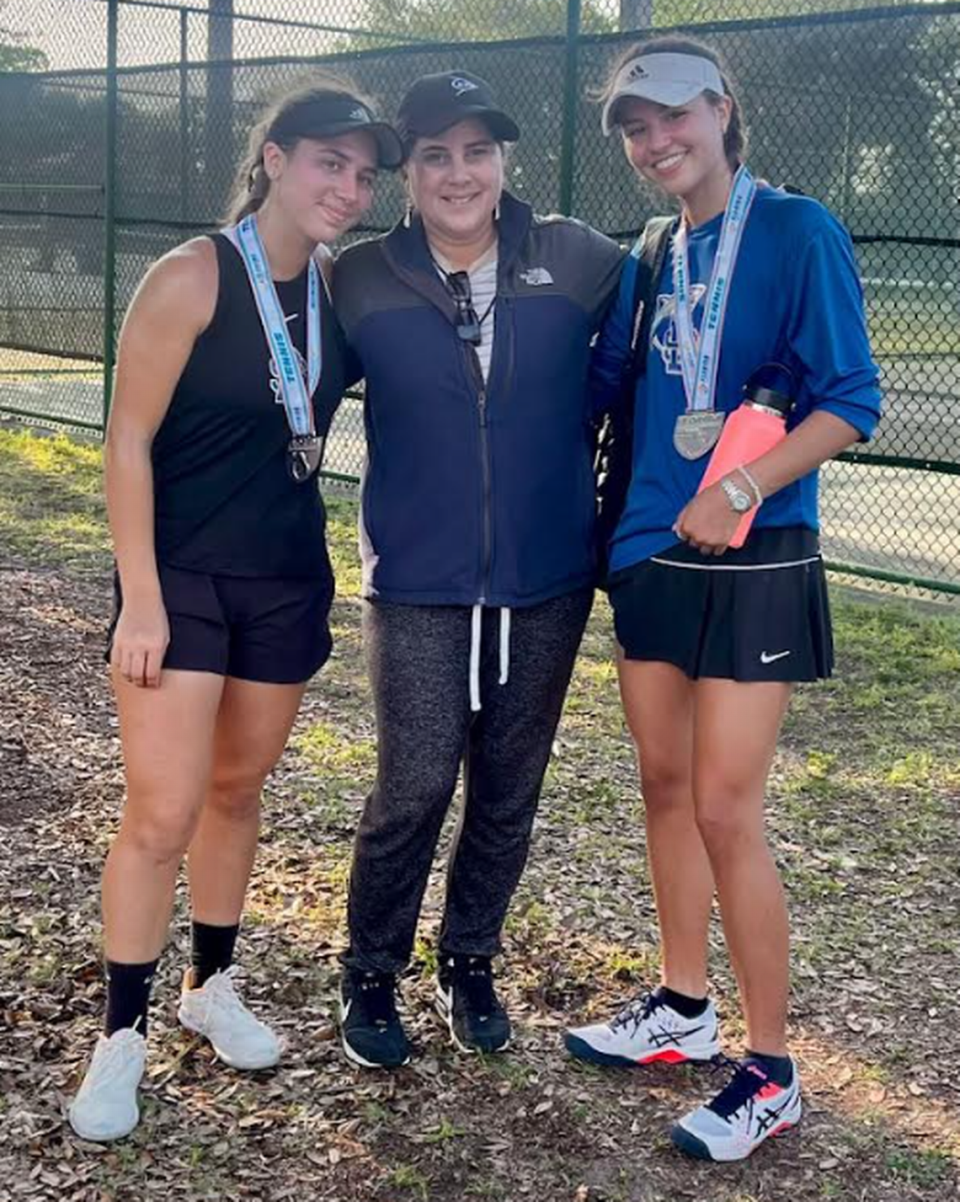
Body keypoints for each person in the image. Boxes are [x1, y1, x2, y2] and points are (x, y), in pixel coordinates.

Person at [564, 38, 881, 1162]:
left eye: (672, 118)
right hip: (651, 549)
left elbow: (850, 399)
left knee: (724, 807)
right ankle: (682, 1003)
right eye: (635, 128)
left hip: (753, 553)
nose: (656, 142)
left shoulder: (798, 231)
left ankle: (771, 1067)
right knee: (662, 785)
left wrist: (740, 481)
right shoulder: (651, 251)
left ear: (722, 111)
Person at [68, 77, 403, 1142]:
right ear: (274, 158)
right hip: (182, 581)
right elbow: (124, 442)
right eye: (327, 163)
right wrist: (142, 598)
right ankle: (119, 1033)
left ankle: (211, 983)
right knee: (160, 808)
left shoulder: (345, 292)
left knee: (235, 788)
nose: (347, 187)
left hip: (286, 577)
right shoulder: (191, 276)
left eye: (362, 172)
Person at [333, 71, 623, 1068]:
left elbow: (651, 364)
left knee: (510, 783)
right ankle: (371, 969)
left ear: (506, 161)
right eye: (434, 155)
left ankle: (470, 958)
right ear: (405, 173)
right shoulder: (361, 278)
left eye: (477, 151)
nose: (459, 173)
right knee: (413, 783)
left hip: (547, 579)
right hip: (417, 581)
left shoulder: (581, 260)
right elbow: (288, 394)